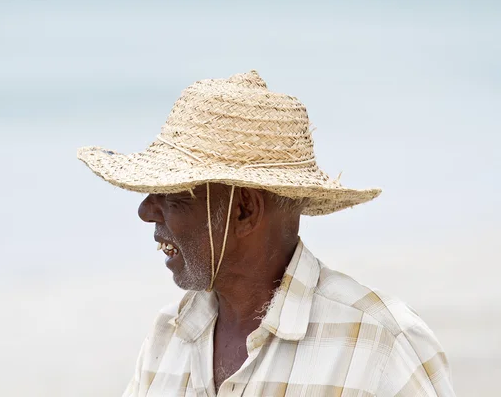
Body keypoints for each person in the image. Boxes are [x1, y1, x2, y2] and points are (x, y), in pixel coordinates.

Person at [77, 71, 455, 396]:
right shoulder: (170, 335)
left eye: (174, 196)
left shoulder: (379, 342)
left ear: (244, 210)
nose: (145, 211)